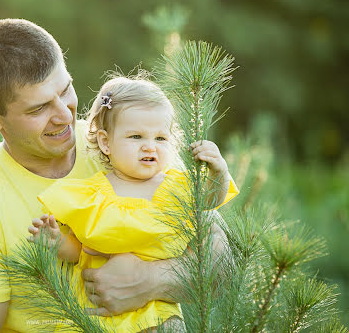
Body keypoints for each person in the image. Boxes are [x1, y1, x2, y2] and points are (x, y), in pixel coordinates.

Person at [0, 19, 233, 332]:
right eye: (38, 109)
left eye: (65, 90)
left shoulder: (129, 143)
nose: (64, 115)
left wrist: (151, 281)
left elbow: (222, 259)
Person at [27, 75, 239, 332]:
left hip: (160, 317)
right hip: (100, 318)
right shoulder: (94, 196)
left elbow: (208, 201)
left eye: (160, 138)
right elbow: (80, 251)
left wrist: (219, 171)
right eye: (137, 137)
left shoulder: (174, 186)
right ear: (106, 142)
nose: (150, 147)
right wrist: (56, 243)